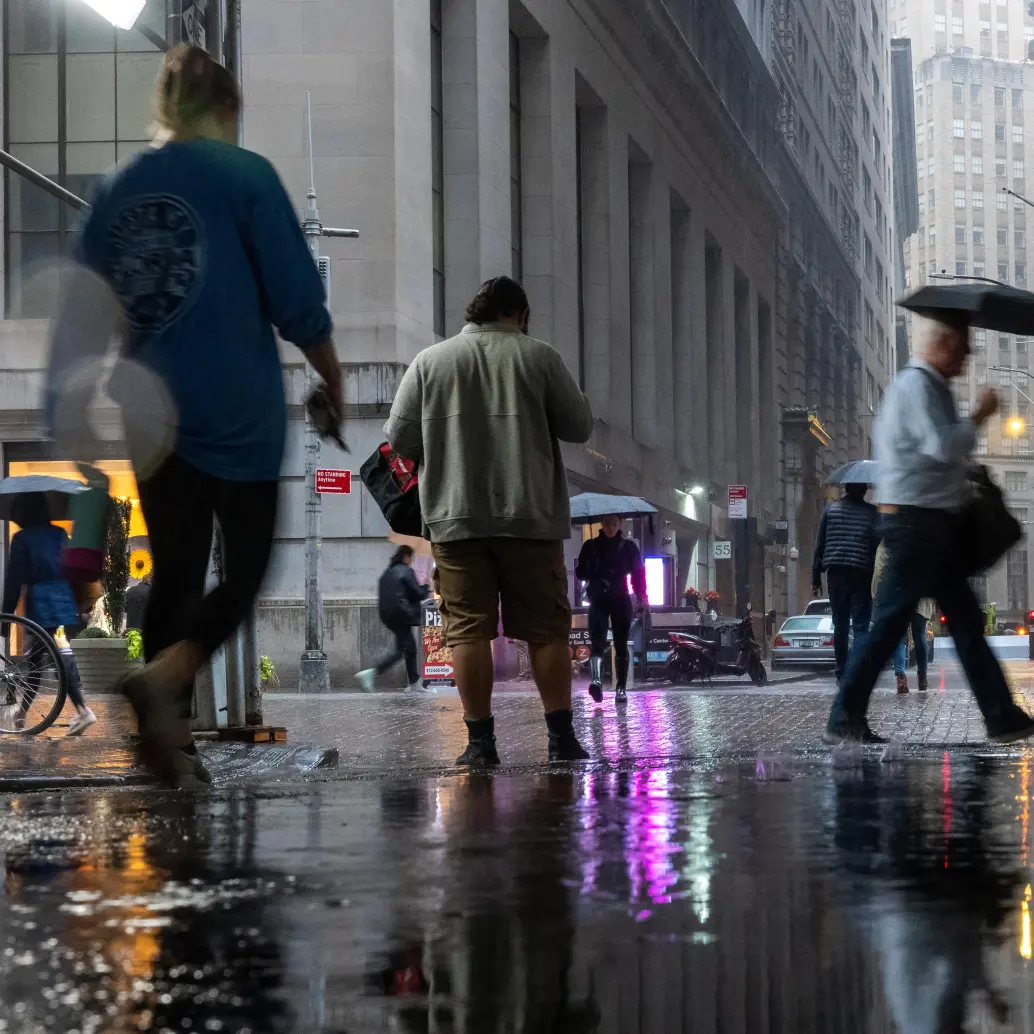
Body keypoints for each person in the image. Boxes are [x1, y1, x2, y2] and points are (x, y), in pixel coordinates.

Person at [45, 46, 343, 785]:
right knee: (241, 573)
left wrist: (68, 406)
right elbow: (296, 300)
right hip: (238, 409)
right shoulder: (246, 177)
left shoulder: (119, 190)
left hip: (151, 415)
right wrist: (331, 378)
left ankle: (170, 744)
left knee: (173, 576)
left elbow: (82, 314)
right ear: (225, 109)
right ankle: (171, 674)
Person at [384, 275, 595, 766]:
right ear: (519, 315)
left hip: (456, 519)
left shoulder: (430, 362)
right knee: (546, 630)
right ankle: (560, 738)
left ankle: (480, 745)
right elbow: (578, 426)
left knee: (468, 631)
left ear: (472, 313)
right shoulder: (539, 357)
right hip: (531, 517)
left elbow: (400, 439)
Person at [825, 315, 1034, 744]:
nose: (969, 354)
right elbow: (941, 446)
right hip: (917, 525)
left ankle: (1001, 717)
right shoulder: (916, 386)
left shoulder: (929, 387)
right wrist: (980, 414)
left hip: (932, 524)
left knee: (964, 624)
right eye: (963, 345)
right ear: (943, 343)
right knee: (889, 625)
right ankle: (845, 716)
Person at [1, 494, 95, 736]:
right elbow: (71, 568)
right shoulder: (59, 534)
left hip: (42, 602)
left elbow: (13, 582)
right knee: (40, 660)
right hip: (64, 598)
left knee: (49, 658)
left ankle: (83, 710)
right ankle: (22, 715)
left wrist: (5, 617)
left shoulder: (22, 538)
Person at [574, 515, 646, 705]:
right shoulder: (590, 546)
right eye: (606, 524)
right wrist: (591, 565)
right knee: (596, 640)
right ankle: (596, 680)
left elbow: (638, 574)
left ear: (619, 524)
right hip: (598, 598)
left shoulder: (629, 547)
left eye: (613, 524)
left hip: (621, 598)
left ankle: (620, 688)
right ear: (601, 525)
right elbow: (580, 573)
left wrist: (640, 596)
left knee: (621, 644)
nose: (610, 528)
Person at [811, 482, 879, 682]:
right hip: (861, 574)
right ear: (864, 490)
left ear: (846, 488)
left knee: (839, 625)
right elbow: (877, 547)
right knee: (860, 626)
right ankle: (857, 671)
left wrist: (816, 578)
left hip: (836, 574)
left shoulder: (830, 510)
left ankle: (841, 671)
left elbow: (820, 545)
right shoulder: (872, 513)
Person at [356, 545, 429, 694]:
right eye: (411, 558)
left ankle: (415, 684)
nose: (411, 561)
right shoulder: (406, 571)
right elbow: (417, 593)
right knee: (403, 649)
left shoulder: (387, 573)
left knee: (409, 648)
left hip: (389, 616)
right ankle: (371, 673)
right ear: (405, 556)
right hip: (402, 614)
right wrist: (426, 587)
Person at [872, 541, 934, 694]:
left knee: (899, 636)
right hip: (920, 593)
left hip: (897, 592)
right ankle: (922, 678)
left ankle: (901, 677)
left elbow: (880, 568)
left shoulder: (889, 538)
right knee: (919, 635)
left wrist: (876, 593)